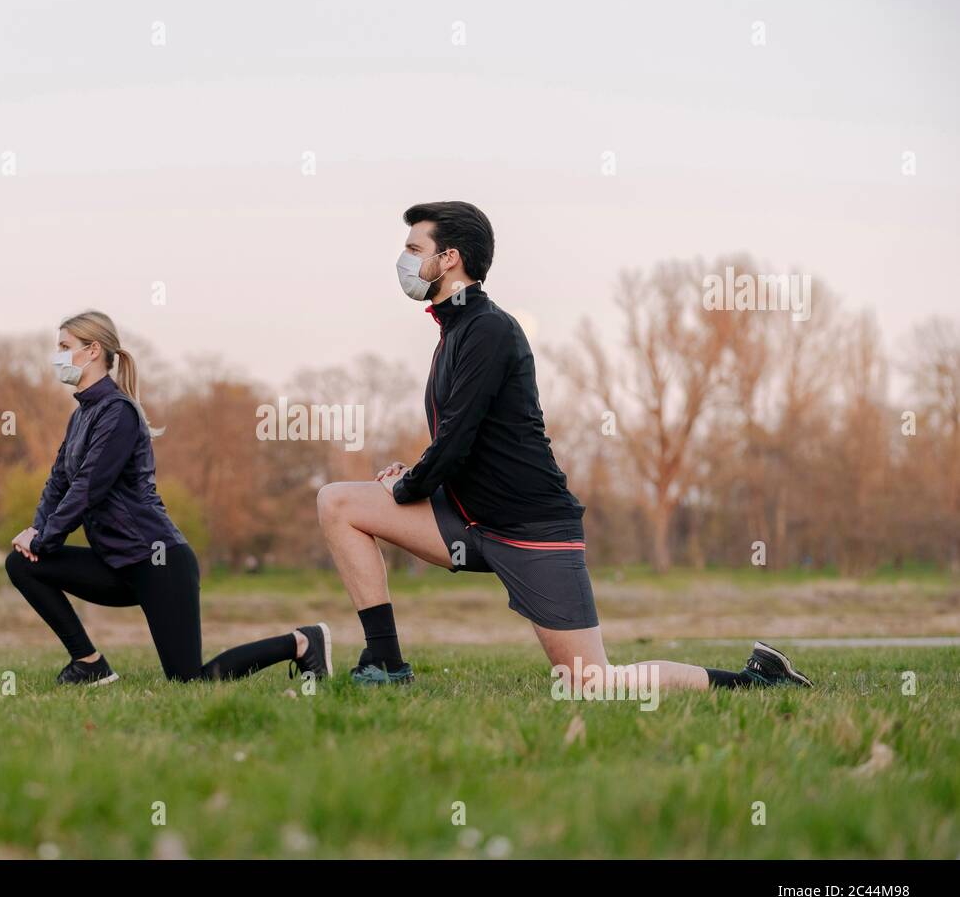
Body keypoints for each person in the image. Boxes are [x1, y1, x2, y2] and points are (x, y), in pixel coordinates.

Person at [312, 200, 814, 691]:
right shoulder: (454, 331)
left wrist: (408, 486)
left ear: (449, 259)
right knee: (339, 501)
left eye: (413, 247)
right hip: (466, 520)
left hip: (532, 527)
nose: (405, 260)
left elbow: (457, 440)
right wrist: (413, 476)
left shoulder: (488, 329)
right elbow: (456, 440)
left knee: (591, 682)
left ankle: (756, 681)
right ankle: (384, 662)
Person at [6, 310, 332, 685]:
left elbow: (89, 488)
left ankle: (302, 642)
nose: (57, 356)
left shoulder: (118, 412)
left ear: (93, 350)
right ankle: (89, 663)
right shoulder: (81, 415)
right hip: (115, 563)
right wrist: (35, 530)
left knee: (189, 680)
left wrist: (46, 540)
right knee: (22, 565)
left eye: (65, 346)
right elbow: (58, 482)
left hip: (158, 563)